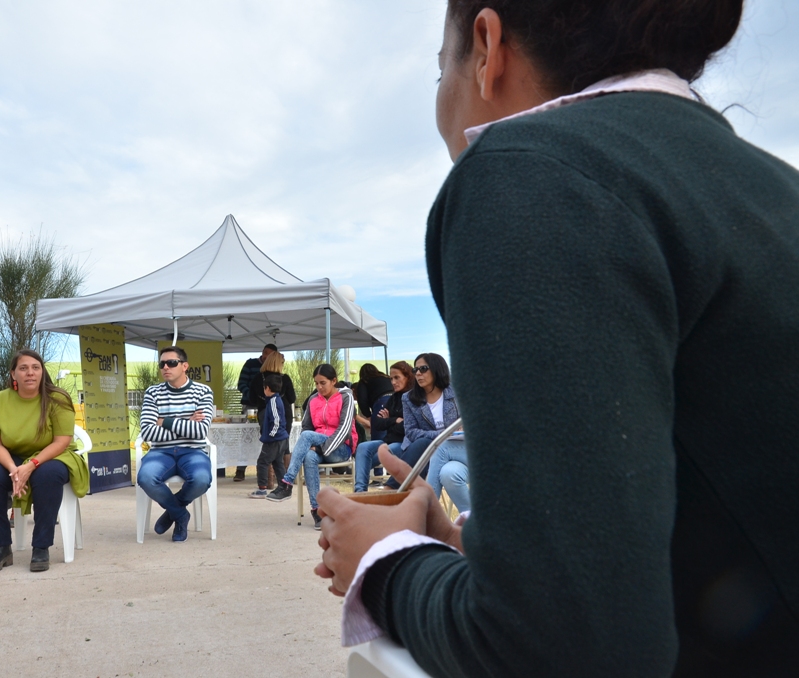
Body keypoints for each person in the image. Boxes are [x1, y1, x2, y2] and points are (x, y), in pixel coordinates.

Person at [316, 1, 799, 676]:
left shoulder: (531, 172)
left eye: (438, 71)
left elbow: (560, 649)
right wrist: (482, 555)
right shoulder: (771, 187)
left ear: (486, 48)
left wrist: (389, 564)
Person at [0, 349, 89, 573]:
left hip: (54, 454)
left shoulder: (58, 398)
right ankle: (0, 546)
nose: (30, 373)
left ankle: (41, 546)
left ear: (42, 372)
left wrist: (31, 465)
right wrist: (13, 469)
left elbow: (61, 441)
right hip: (14, 456)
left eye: (35, 368)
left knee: (48, 476)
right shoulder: (0, 399)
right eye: (23, 368)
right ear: (13, 374)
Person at [138, 345, 215, 542]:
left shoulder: (203, 391)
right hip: (160, 452)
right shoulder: (152, 393)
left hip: (192, 451)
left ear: (185, 366)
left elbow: (199, 431)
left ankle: (172, 511)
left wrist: (165, 421)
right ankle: (181, 515)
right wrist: (187, 422)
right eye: (162, 363)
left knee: (201, 479)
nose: (166, 367)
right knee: (146, 477)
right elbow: (147, 431)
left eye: (172, 363)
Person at [267, 364, 357, 530]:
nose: (319, 387)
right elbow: (307, 427)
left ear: (334, 381)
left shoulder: (346, 397)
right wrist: (314, 448)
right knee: (308, 456)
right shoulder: (313, 400)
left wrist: (322, 448)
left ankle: (286, 483)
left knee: (307, 437)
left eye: (323, 383)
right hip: (318, 448)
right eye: (316, 383)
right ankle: (317, 511)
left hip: (341, 448)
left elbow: (344, 430)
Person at [398, 353, 468, 510]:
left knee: (439, 448)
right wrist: (443, 435)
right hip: (434, 453)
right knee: (448, 474)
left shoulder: (458, 391)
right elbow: (411, 432)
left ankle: (427, 512)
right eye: (415, 369)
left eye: (423, 369)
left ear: (437, 369)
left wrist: (467, 426)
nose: (417, 373)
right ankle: (474, 521)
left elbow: (475, 420)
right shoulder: (408, 398)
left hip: (464, 449)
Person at [353, 361, 413, 493]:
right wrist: (395, 420)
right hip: (389, 440)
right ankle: (360, 492)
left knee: (386, 450)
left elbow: (407, 427)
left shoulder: (413, 398)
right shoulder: (393, 398)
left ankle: (390, 489)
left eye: (397, 377)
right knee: (363, 447)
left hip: (405, 443)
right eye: (391, 378)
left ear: (407, 377)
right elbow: (378, 424)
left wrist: (389, 420)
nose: (393, 382)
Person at [233, 342, 277, 481]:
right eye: (264, 353)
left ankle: (270, 472)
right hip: (250, 406)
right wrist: (252, 395)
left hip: (268, 407)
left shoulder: (275, 369)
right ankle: (240, 470)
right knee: (246, 438)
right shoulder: (251, 364)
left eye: (269, 355)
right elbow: (241, 384)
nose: (265, 356)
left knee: (270, 437)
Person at [248, 372, 289, 499]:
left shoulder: (273, 401)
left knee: (262, 462)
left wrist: (271, 435)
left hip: (274, 439)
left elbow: (277, 421)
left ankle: (262, 489)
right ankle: (284, 487)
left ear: (267, 388)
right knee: (277, 463)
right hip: (280, 438)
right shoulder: (276, 400)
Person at [351, 363, 393, 435]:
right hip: (395, 400)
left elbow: (362, 400)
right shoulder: (386, 377)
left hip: (381, 403)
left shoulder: (364, 381)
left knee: (379, 435)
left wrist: (369, 416)